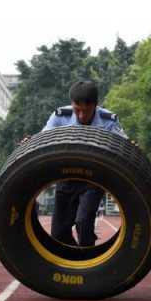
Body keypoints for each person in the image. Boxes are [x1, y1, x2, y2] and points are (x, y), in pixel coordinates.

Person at [41, 80, 126, 246]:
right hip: (66, 177)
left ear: (96, 105)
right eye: (77, 110)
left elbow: (124, 149)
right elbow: (43, 141)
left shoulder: (108, 121)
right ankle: (78, 261)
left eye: (86, 111)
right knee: (58, 233)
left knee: (83, 223)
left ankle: (90, 262)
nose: (81, 116)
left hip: (93, 180)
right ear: (72, 104)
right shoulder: (60, 116)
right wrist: (30, 142)